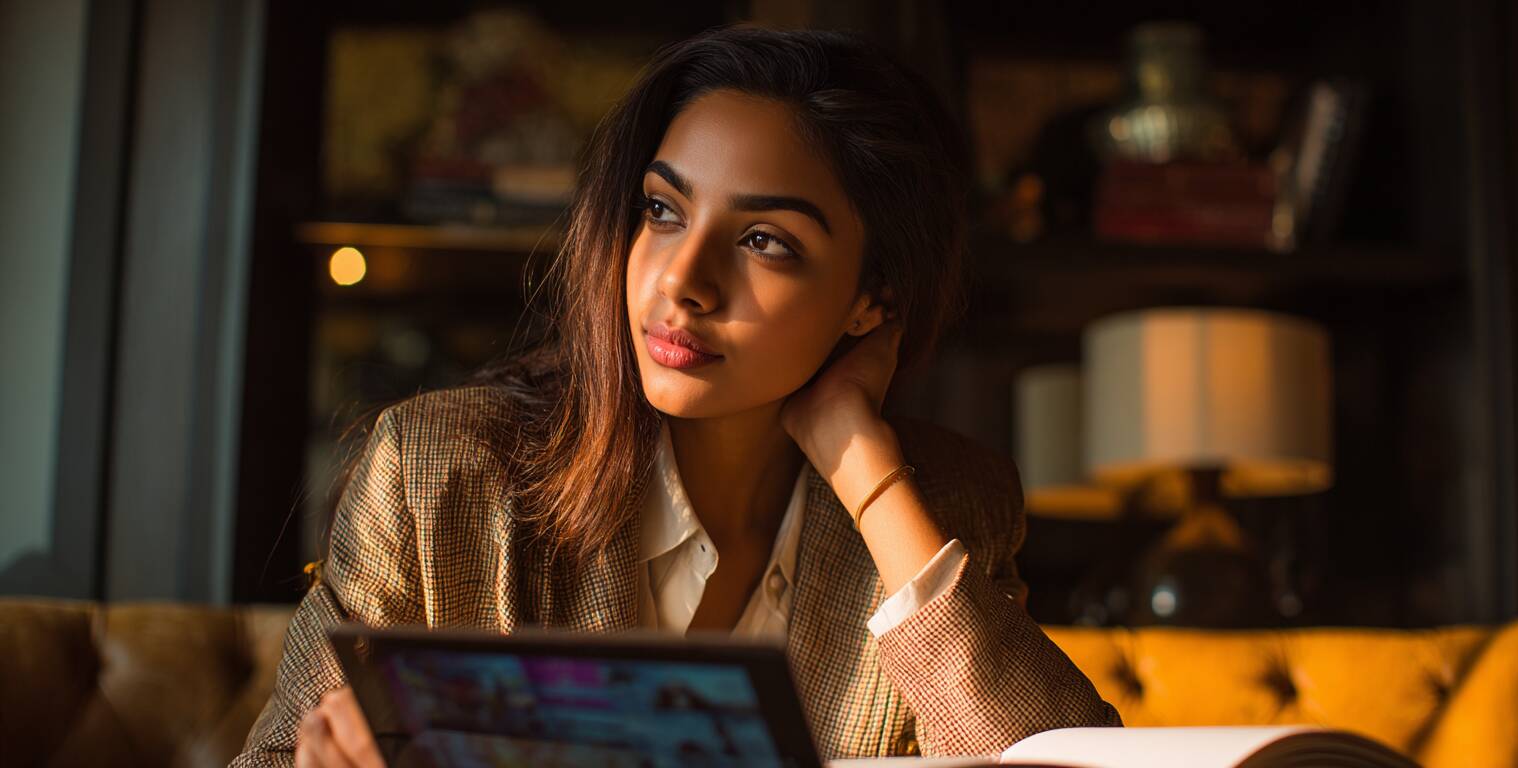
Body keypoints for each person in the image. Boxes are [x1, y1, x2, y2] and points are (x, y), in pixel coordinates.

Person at [232, 22, 1121, 768]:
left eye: (765, 239)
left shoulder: (950, 506)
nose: (683, 280)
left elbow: (1058, 761)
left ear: (871, 300)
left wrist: (864, 466)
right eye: (663, 211)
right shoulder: (439, 479)